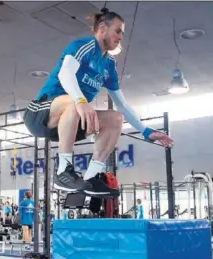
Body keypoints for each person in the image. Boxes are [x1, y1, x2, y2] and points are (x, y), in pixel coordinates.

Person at [23, 8, 174, 197]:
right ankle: (63, 171)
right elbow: (65, 73)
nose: (120, 37)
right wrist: (80, 101)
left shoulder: (109, 64)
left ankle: (92, 177)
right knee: (75, 103)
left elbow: (122, 104)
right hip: (41, 113)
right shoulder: (84, 46)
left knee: (115, 119)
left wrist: (146, 131)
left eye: (122, 33)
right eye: (117, 31)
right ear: (103, 28)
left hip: (70, 120)